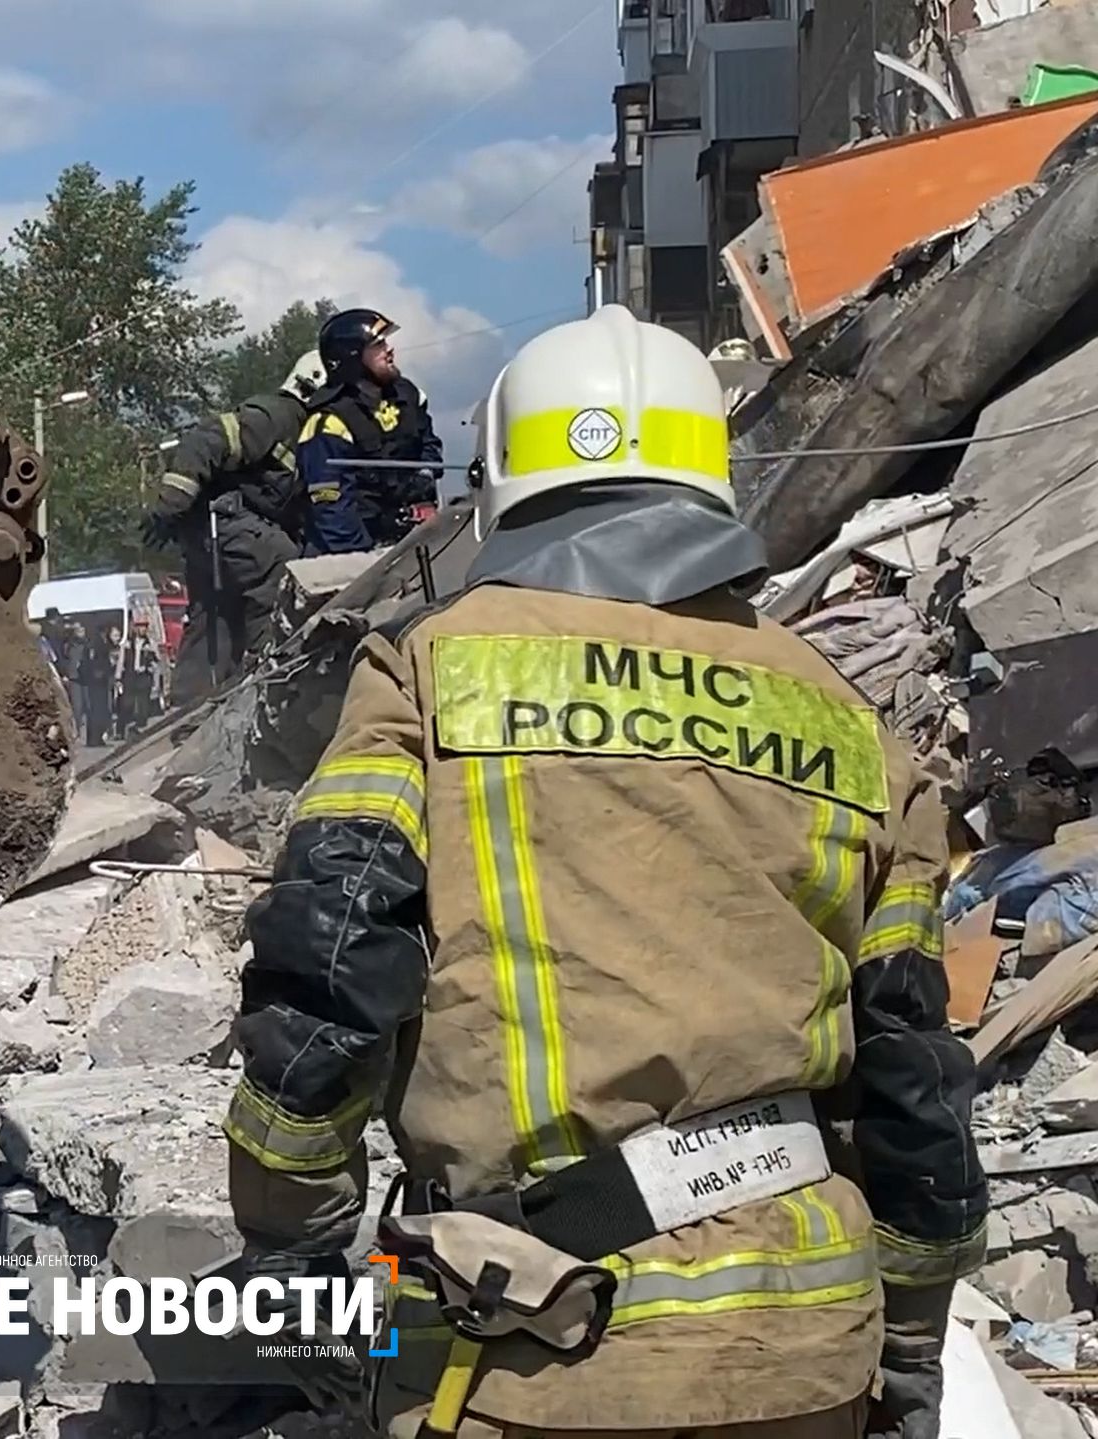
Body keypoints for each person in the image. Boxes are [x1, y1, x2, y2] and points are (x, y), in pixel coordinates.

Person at [224, 306, 985, 1438]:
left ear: (504, 480)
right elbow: (912, 1068)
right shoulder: (849, 722)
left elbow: (331, 955)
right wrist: (911, 1348)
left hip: (530, 1344)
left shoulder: (435, 667)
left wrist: (291, 1238)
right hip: (806, 1351)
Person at [143, 351, 327, 699]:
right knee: (281, 571)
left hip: (218, 530)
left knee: (215, 614)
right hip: (225, 522)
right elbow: (207, 439)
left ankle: (191, 707)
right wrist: (170, 505)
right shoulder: (279, 414)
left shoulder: (307, 428)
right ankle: (265, 684)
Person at [295, 308, 444, 555]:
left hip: (414, 541)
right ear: (352, 358)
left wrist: (425, 477)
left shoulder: (408, 396)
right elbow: (332, 512)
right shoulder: (328, 423)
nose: (390, 349)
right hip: (354, 554)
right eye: (378, 344)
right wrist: (369, 558)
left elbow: (429, 445)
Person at [117, 616, 164, 737]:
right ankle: (121, 730)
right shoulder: (127, 643)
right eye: (140, 626)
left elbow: (157, 662)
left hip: (144, 677)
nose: (142, 629)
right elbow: (121, 661)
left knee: (143, 705)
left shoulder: (150, 643)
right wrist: (118, 677)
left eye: (144, 626)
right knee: (126, 704)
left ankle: (140, 728)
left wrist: (155, 680)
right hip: (130, 676)